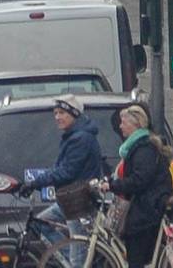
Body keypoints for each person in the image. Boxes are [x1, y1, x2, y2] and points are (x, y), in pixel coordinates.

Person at [16, 95, 110, 245]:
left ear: (74, 114)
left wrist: (35, 183)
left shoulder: (80, 138)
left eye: (62, 113)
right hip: (68, 200)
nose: (58, 117)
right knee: (42, 222)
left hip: (78, 201)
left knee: (78, 253)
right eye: (55, 113)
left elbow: (67, 172)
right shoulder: (73, 136)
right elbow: (60, 168)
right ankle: (63, 256)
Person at [106, 102, 173, 266]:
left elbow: (139, 180)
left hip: (148, 208)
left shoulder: (143, 148)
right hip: (147, 204)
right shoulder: (139, 146)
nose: (120, 126)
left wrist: (113, 186)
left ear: (135, 125)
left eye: (123, 122)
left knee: (136, 257)